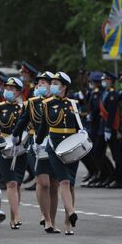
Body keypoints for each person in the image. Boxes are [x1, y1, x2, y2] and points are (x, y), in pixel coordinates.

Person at [34, 72, 82, 235]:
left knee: (72, 184)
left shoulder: (74, 104)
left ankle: (68, 223)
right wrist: (37, 142)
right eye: (52, 82)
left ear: (64, 86)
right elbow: (42, 127)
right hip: (54, 148)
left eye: (55, 83)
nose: (52, 85)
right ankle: (71, 212)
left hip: (72, 147)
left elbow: (80, 127)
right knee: (64, 181)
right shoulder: (46, 104)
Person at [12, 71, 60, 233]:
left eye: (44, 83)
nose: (40, 86)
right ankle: (45, 217)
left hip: (54, 144)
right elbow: (22, 120)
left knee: (54, 184)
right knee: (43, 182)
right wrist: (15, 136)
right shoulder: (32, 103)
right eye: (38, 83)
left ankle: (52, 221)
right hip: (36, 144)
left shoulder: (58, 102)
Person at [0, 77, 26, 229]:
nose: (8, 91)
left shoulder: (24, 107)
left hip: (20, 148)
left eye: (12, 89)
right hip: (4, 148)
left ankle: (13, 216)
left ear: (18, 92)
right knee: (10, 183)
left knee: (16, 184)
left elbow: (28, 128)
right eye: (7, 88)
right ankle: (17, 216)